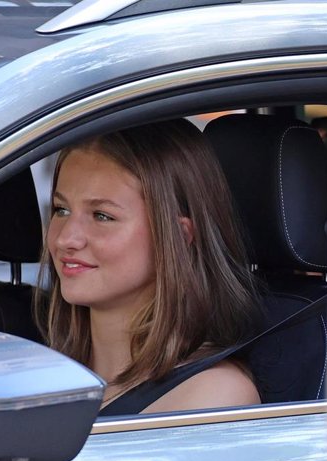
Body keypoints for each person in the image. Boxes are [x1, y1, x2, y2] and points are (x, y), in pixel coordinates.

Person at [35, 119, 262, 414]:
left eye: (102, 216)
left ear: (179, 237)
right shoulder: (40, 374)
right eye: (61, 210)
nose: (66, 238)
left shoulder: (212, 396)